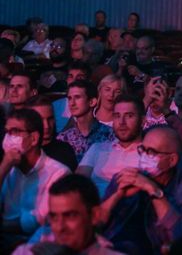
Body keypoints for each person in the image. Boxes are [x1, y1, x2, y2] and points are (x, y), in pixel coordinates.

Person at [100, 127, 182, 254]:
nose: (143, 156)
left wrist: (154, 190)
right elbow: (96, 222)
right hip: (109, 247)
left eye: (151, 152)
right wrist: (118, 195)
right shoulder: (127, 178)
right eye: (142, 149)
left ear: (172, 160)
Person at [0, 109, 70, 250]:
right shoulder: (8, 168)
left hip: (35, 241)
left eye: (15, 132)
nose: (8, 138)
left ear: (33, 138)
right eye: (7, 132)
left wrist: (2, 226)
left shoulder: (58, 173)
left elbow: (39, 219)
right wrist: (4, 168)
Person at [13, 174, 124, 255]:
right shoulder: (27, 252)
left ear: (94, 215)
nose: (59, 227)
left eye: (70, 216)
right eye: (54, 217)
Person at [78, 95, 144, 198]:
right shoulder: (97, 148)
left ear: (143, 121)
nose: (122, 122)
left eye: (129, 116)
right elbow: (77, 183)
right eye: (117, 116)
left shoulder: (150, 153)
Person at [57, 80, 115, 162]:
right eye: (69, 98)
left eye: (77, 97)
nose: (72, 103)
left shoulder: (111, 135)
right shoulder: (63, 139)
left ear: (92, 102)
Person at [25, 96, 78, 171]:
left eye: (50, 119)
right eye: (40, 120)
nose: (47, 126)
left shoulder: (65, 150)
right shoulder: (21, 152)